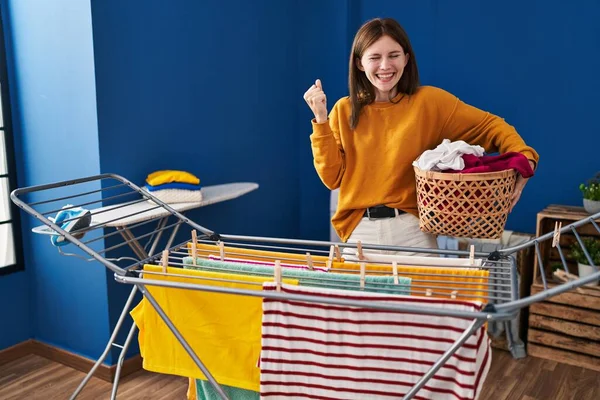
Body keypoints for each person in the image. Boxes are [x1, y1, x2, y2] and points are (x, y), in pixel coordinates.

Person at [303, 17, 539, 256]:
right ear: (360, 63)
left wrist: (525, 157)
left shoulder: (429, 103)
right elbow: (332, 179)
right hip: (359, 233)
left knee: (421, 295)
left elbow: (492, 125)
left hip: (414, 233)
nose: (385, 66)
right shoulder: (344, 110)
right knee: (364, 295)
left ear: (406, 58)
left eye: (393, 55)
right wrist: (321, 121)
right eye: (375, 57)